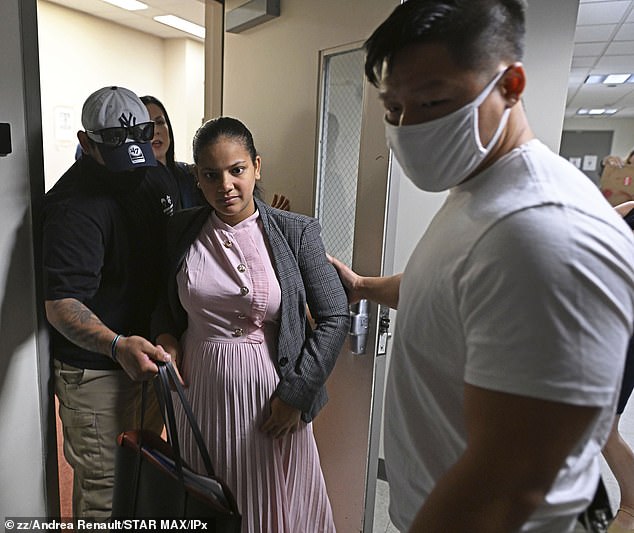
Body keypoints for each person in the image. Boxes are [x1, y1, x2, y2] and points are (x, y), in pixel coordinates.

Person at [328, 1, 634, 532]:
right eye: (392, 107)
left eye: (432, 101)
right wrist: (366, 287)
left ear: (511, 85)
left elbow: (514, 479)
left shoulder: (542, 230)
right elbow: (455, 287)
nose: (408, 126)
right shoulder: (481, 190)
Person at [151, 116, 349, 533]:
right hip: (198, 390)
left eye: (236, 170)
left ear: (256, 167)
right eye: (211, 174)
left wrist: (296, 396)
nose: (225, 185)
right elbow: (164, 304)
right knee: (205, 500)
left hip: (270, 397)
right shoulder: (180, 229)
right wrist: (166, 337)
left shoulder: (296, 231)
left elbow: (334, 316)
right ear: (197, 178)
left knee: (265, 505)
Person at [43, 86, 173, 519]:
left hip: (148, 360)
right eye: (118, 149)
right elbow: (62, 304)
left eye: (142, 140)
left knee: (141, 480)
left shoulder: (152, 175)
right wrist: (117, 345)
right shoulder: (72, 207)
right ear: (87, 143)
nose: (133, 164)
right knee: (106, 497)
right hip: (97, 371)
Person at [141, 94, 203, 209]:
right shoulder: (135, 184)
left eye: (160, 122)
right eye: (146, 125)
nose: (156, 131)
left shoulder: (188, 174)